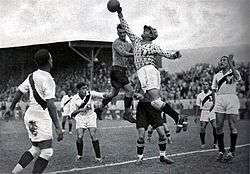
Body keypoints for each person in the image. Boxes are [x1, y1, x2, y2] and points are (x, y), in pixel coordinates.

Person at [115, 7, 187, 132]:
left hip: (149, 70)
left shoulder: (153, 46)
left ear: (151, 35)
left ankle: (178, 117)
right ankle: (179, 118)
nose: (144, 30)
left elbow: (165, 53)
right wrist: (119, 13)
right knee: (154, 103)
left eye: (147, 30)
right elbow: (126, 28)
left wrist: (175, 55)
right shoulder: (136, 41)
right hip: (142, 72)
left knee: (155, 101)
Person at [4, 49, 63, 174]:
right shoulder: (48, 79)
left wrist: (11, 108)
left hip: (30, 116)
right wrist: (58, 127)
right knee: (47, 151)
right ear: (49, 61)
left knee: (35, 149)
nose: (52, 60)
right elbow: (51, 105)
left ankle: (14, 172)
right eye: (51, 58)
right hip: (41, 116)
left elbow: (19, 91)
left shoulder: (31, 76)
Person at [96, 24, 136, 123]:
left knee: (113, 94)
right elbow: (123, 53)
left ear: (126, 33)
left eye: (124, 32)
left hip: (122, 71)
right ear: (117, 32)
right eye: (120, 32)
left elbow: (135, 49)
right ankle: (127, 113)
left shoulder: (128, 44)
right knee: (130, 91)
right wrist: (135, 54)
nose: (122, 34)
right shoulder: (116, 43)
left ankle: (99, 109)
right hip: (116, 70)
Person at [211, 55, 241, 162]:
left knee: (232, 125)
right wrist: (215, 103)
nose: (222, 61)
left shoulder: (234, 72)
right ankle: (221, 151)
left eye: (224, 60)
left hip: (231, 98)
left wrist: (231, 65)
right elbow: (214, 90)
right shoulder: (217, 75)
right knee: (218, 126)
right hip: (220, 100)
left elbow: (238, 77)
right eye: (221, 60)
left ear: (229, 63)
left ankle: (232, 151)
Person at [134, 91, 174, 164]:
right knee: (141, 136)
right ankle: (140, 158)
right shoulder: (141, 81)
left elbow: (159, 94)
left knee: (162, 135)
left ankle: (163, 156)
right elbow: (133, 92)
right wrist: (138, 95)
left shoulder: (155, 82)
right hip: (142, 110)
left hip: (154, 108)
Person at [70, 82, 104, 162]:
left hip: (91, 116)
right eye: (83, 88)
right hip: (80, 118)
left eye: (86, 88)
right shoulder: (74, 99)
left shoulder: (90, 94)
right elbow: (72, 113)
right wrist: (81, 109)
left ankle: (98, 157)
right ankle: (79, 154)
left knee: (93, 135)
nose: (85, 90)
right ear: (78, 90)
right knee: (80, 136)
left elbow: (102, 95)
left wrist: (109, 95)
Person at [195, 81, 217, 149]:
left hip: (212, 111)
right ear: (202, 86)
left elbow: (215, 103)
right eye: (203, 84)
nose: (205, 85)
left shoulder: (213, 94)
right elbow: (198, 106)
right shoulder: (200, 95)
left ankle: (215, 143)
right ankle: (203, 143)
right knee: (202, 128)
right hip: (204, 112)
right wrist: (196, 116)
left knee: (215, 127)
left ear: (209, 85)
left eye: (206, 84)